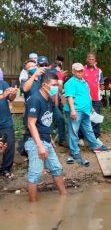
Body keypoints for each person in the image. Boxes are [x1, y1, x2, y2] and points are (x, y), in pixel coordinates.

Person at [23, 72, 67, 202]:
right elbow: (31, 124)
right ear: (44, 85)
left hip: (45, 139)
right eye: (54, 85)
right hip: (34, 141)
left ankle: (64, 197)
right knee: (35, 174)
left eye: (57, 85)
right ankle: (33, 207)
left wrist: (49, 138)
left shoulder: (49, 98)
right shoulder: (35, 99)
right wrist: (40, 145)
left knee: (56, 168)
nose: (56, 88)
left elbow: (44, 121)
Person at [64, 63, 109, 167]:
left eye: (82, 70)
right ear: (73, 71)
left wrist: (91, 107)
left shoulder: (83, 81)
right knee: (74, 131)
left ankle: (95, 146)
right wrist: (72, 110)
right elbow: (69, 97)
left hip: (85, 110)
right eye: (78, 71)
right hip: (76, 110)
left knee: (88, 129)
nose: (81, 72)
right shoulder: (70, 83)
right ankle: (74, 152)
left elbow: (87, 94)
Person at [81, 53, 105, 145]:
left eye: (93, 59)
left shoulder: (99, 71)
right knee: (82, 117)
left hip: (96, 98)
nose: (91, 60)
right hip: (84, 98)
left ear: (95, 60)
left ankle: (96, 137)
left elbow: (102, 83)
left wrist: (101, 87)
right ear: (87, 59)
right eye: (89, 59)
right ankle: (81, 137)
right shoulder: (82, 69)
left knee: (96, 118)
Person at [0, 79, 18, 178]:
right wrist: (2, 96)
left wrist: (13, 94)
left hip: (5, 121)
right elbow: (3, 96)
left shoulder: (3, 83)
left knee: (9, 144)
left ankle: (6, 169)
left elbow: (10, 98)